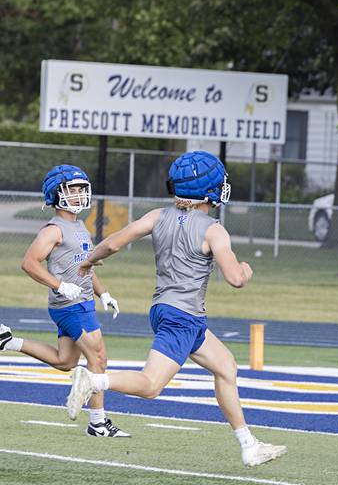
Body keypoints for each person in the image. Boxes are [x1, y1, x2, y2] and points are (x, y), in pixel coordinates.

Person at [65, 151, 286, 467]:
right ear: (209, 189)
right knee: (151, 386)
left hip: (169, 311)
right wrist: (247, 270)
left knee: (226, 366)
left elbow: (113, 243)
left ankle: (248, 444)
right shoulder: (214, 230)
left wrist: (88, 261)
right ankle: (94, 381)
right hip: (182, 316)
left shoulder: (157, 216)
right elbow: (236, 279)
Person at [0, 165, 129, 438]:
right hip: (70, 305)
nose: (80, 193)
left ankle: (8, 341)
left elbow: (86, 267)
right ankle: (97, 422)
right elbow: (28, 263)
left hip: (81, 302)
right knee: (99, 358)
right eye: (73, 189)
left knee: (66, 361)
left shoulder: (79, 225)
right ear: (56, 193)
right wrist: (60, 285)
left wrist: (103, 293)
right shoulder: (53, 230)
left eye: (82, 188)